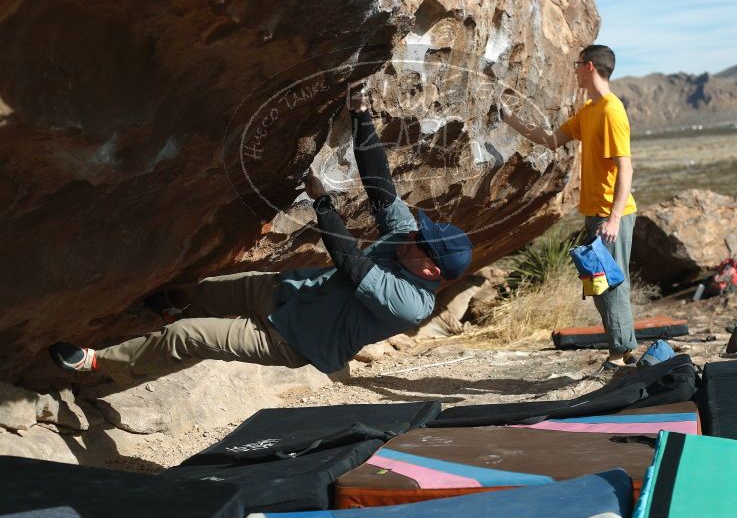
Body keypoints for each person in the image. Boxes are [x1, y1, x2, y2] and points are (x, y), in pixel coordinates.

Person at [49, 90, 473, 383]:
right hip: (290, 291)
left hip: (289, 339)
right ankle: (166, 309)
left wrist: (322, 203)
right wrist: (361, 116)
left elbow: (352, 263)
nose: (413, 233)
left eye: (421, 240)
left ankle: (99, 362)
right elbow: (380, 186)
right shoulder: (406, 240)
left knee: (186, 337)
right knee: (203, 292)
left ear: (430, 268)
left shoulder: (412, 304)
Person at [500, 44, 637, 367]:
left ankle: (620, 354)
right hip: (595, 214)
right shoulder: (589, 111)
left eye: (577, 65)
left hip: (611, 214)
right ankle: (621, 350)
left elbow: (626, 167)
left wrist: (614, 218)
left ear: (589, 67)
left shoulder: (611, 111)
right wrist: (510, 120)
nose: (574, 71)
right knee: (599, 284)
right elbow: (550, 139)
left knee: (612, 284)